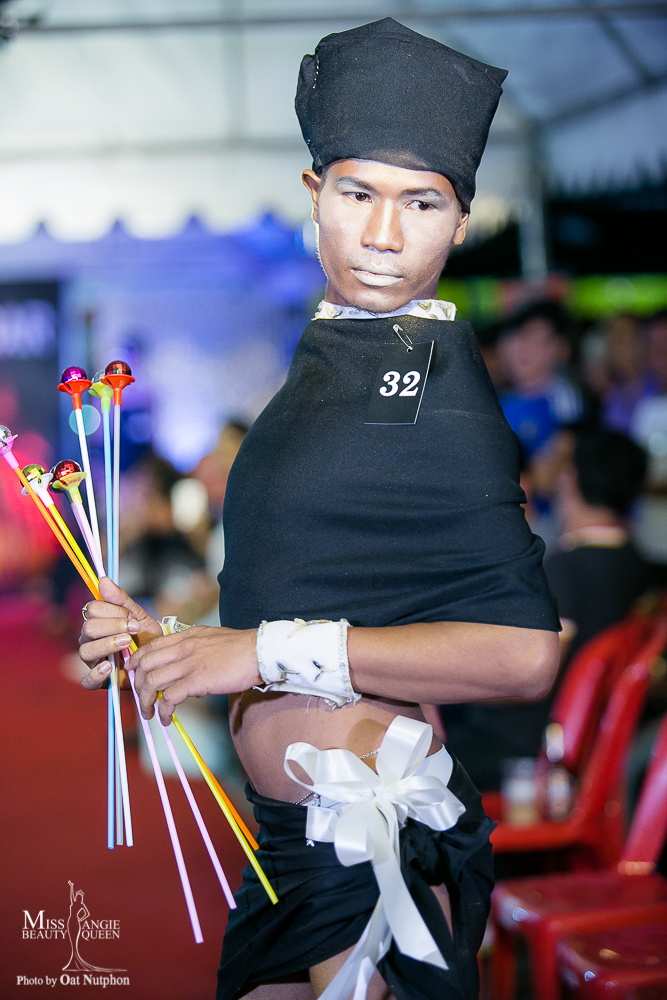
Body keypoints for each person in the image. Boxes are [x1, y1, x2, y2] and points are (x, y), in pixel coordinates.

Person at [77, 19, 559, 1000]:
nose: (382, 235)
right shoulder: (341, 353)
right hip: (294, 832)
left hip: (358, 819)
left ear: (460, 221)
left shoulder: (434, 384)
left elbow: (522, 654)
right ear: (313, 193)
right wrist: (172, 640)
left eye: (420, 202)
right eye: (356, 193)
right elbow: (332, 585)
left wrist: (259, 654)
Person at [497, 301, 583, 456]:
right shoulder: (500, 397)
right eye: (521, 336)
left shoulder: (564, 401)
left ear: (562, 349)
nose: (524, 349)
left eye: (538, 341)